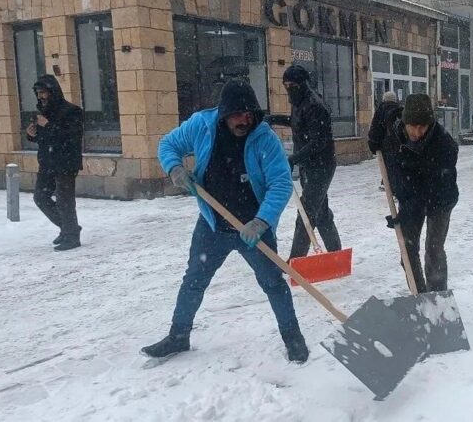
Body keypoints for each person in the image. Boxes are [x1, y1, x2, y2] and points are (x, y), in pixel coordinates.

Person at [142, 79, 308, 363]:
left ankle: (293, 337)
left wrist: (262, 221)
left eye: (249, 114)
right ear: (224, 114)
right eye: (238, 114)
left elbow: (280, 183)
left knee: (273, 283)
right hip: (213, 225)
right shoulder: (202, 126)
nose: (245, 120)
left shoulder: (265, 138)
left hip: (254, 228)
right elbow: (168, 144)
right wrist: (175, 168)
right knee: (194, 281)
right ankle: (178, 336)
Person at [266, 65, 342, 259]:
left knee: (306, 214)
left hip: (321, 167)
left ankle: (295, 261)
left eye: (291, 85)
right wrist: (273, 119)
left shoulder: (315, 106)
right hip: (309, 166)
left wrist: (293, 159)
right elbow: (297, 122)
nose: (288, 89)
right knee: (321, 212)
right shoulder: (300, 102)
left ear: (302, 84)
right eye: (285, 85)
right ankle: (337, 255)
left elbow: (318, 142)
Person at [384, 94, 459, 293]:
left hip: (440, 200)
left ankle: (436, 297)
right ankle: (419, 296)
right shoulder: (396, 137)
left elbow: (432, 188)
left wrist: (406, 211)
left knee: (434, 251)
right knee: (407, 251)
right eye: (413, 126)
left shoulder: (444, 144)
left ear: (430, 123)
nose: (417, 132)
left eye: (422, 127)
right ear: (405, 122)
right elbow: (396, 173)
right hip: (412, 197)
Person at [26, 75, 84, 251]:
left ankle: (72, 237)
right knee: (40, 197)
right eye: (38, 93)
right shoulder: (43, 112)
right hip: (47, 162)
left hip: (66, 162)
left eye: (43, 92)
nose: (40, 96)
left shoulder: (72, 111)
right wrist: (32, 134)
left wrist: (48, 125)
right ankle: (68, 228)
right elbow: (45, 139)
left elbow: (71, 137)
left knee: (65, 200)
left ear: (53, 92)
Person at [369, 90, 403, 191]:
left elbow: (375, 129)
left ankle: (390, 187)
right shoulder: (399, 110)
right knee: (397, 166)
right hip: (398, 145)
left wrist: (374, 144)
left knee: (388, 166)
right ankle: (393, 185)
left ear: (384, 99)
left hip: (385, 145)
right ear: (395, 100)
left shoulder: (381, 110)